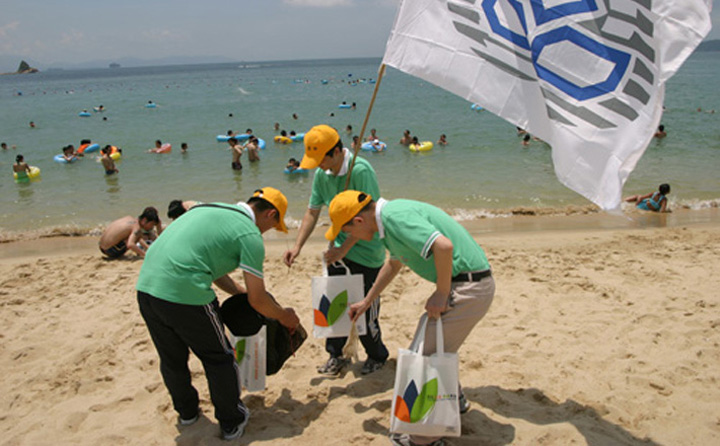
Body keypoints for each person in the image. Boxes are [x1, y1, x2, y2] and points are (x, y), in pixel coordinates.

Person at [328, 190, 495, 446]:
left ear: (358, 221)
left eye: (347, 231)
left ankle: (423, 439)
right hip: (466, 284)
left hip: (468, 287)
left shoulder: (395, 217)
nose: (351, 237)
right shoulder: (387, 222)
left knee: (425, 357)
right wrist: (367, 301)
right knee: (428, 344)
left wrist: (441, 292)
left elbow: (443, 246)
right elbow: (394, 264)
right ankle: (455, 400)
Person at [136, 188, 300, 441]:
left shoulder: (208, 208)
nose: (267, 232)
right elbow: (258, 300)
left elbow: (208, 263)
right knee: (220, 358)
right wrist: (283, 315)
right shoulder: (249, 234)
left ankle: (187, 414)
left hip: (146, 288)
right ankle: (232, 421)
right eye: (273, 226)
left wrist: (238, 291)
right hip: (185, 294)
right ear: (271, 214)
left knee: (172, 358)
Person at [282, 125, 389, 376]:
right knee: (335, 305)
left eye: (322, 160)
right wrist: (298, 246)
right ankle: (337, 355)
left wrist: (344, 249)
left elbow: (369, 220)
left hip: (366, 251)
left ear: (338, 151)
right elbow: (312, 210)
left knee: (365, 309)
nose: (319, 166)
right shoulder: (323, 174)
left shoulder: (360, 171)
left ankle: (377, 356)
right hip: (338, 251)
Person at [98, 207, 163, 259]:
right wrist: (145, 255)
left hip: (101, 246)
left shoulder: (129, 218)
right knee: (133, 238)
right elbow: (130, 244)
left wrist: (148, 248)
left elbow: (138, 238)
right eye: (151, 224)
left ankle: (146, 250)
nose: (151, 227)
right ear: (144, 220)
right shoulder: (136, 227)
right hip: (109, 251)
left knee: (134, 236)